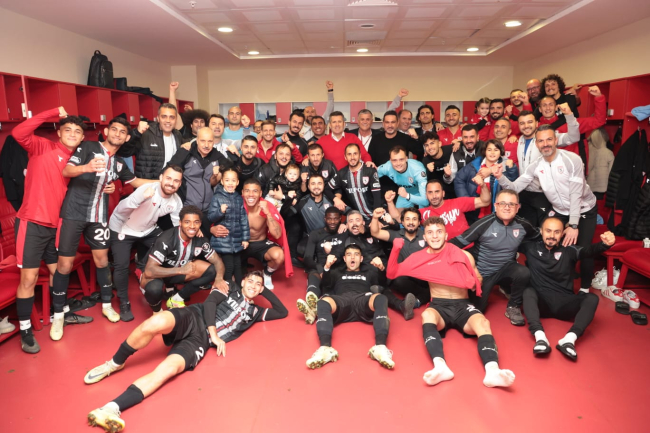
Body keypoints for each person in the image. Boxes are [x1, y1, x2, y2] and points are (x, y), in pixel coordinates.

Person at [84, 271, 287, 433]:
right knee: (155, 322)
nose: (253, 285)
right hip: (195, 316)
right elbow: (209, 303)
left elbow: (282, 311)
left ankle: (110, 408)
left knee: (169, 369)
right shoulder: (230, 287)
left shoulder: (255, 312)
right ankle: (114, 363)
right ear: (242, 282)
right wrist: (215, 334)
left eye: (258, 284)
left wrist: (262, 290)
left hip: (200, 341)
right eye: (250, 281)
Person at [52, 117, 154, 337]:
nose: (117, 134)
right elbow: (66, 171)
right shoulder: (89, 147)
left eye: (122, 132)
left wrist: (163, 181)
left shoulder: (119, 163)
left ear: (127, 138)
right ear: (106, 131)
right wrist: (86, 167)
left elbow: (136, 182)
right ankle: (58, 316)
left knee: (102, 261)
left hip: (98, 217)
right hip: (73, 214)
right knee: (64, 265)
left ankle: (107, 305)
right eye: (114, 129)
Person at [387, 216, 515, 388]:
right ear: (424, 237)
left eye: (439, 232)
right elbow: (392, 273)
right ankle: (440, 367)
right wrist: (395, 249)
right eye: (430, 233)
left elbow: (478, 279)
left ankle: (493, 371)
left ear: (446, 235)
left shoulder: (463, 255)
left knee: (483, 323)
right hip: (439, 305)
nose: (435, 236)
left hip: (462, 304)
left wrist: (472, 281)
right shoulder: (418, 258)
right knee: (427, 316)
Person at [12, 107, 89, 353]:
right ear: (59, 133)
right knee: (29, 278)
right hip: (32, 223)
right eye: (68, 130)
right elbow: (18, 132)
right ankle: (25, 331)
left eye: (77, 131)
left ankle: (60, 314)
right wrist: (53, 112)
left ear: (82, 137)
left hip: (57, 225)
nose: (72, 134)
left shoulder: (77, 160)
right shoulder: (42, 147)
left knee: (59, 272)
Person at [494, 125, 599, 294]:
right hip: (559, 210)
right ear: (536, 144)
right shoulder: (535, 166)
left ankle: (585, 288)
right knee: (553, 245)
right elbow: (514, 188)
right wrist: (500, 177)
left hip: (584, 209)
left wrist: (573, 225)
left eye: (549, 139)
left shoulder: (572, 159)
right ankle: (557, 284)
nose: (545, 144)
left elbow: (576, 194)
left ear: (556, 140)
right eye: (541, 141)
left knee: (584, 248)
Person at [521, 218, 614, 360]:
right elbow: (506, 243)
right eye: (548, 231)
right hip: (541, 304)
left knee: (592, 298)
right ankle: (540, 337)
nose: (552, 236)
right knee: (528, 291)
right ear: (541, 231)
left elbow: (588, 251)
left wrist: (604, 244)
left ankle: (569, 340)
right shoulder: (530, 247)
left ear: (562, 234)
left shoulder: (569, 250)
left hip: (565, 304)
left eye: (557, 232)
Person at [450, 189, 538, 325]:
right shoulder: (484, 223)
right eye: (502, 203)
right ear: (496, 206)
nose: (507, 207)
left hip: (506, 268)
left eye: (511, 204)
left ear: (517, 208)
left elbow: (539, 236)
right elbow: (456, 243)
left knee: (523, 272)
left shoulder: (523, 225)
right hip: (483, 273)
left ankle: (513, 306)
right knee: (477, 309)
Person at [109, 164, 184, 321]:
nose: (171, 183)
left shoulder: (176, 201)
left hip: (147, 229)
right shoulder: (147, 190)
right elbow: (121, 209)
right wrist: (140, 198)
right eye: (168, 178)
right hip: (123, 227)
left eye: (176, 181)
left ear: (180, 184)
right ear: (161, 178)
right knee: (122, 266)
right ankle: (123, 302)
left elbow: (177, 228)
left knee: (167, 246)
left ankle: (144, 270)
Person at [306, 244, 395, 370]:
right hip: (342, 301)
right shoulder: (337, 272)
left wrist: (381, 269)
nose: (352, 257)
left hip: (362, 300)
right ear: (344, 258)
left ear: (361, 258)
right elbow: (325, 285)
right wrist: (327, 267)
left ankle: (380, 347)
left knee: (381, 298)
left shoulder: (369, 272)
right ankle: (325, 349)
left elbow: (382, 284)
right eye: (349, 254)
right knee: (323, 302)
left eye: (356, 254)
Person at [137, 205, 227, 312]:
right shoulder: (166, 238)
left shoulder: (201, 239)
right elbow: (149, 271)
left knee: (212, 271)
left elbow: (217, 261)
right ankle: (157, 311)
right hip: (155, 273)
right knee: (154, 289)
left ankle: (176, 299)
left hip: (175, 271)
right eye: (187, 222)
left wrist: (219, 278)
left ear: (200, 224)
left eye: (196, 222)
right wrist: (181, 270)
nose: (192, 226)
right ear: (180, 223)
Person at [212, 178, 291, 290]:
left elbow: (277, 235)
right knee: (232, 278)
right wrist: (212, 229)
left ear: (260, 193)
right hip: (240, 244)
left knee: (278, 256)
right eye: (247, 191)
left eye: (255, 191)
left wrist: (268, 213)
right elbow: (217, 221)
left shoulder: (267, 206)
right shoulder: (235, 204)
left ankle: (267, 274)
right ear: (242, 193)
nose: (251, 194)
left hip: (260, 243)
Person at [515, 107, 580, 227]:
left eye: (530, 122)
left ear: (537, 123)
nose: (526, 126)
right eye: (522, 123)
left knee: (545, 228)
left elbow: (573, 137)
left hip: (543, 193)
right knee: (527, 228)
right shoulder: (520, 140)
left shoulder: (547, 139)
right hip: (524, 192)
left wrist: (569, 115)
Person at [369, 207, 425, 318]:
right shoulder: (397, 235)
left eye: (414, 219)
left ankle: (418, 300)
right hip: (405, 279)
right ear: (402, 222)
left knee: (434, 284)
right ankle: (409, 302)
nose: (411, 222)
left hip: (422, 277)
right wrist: (375, 217)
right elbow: (375, 233)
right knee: (396, 281)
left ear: (419, 222)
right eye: (407, 219)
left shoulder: (426, 235)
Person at [296, 207, 347, 324]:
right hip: (320, 268)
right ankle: (312, 298)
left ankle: (314, 310)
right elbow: (307, 258)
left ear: (340, 219)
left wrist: (346, 225)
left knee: (333, 288)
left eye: (335, 219)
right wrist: (321, 270)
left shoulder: (343, 233)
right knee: (313, 273)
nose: (332, 222)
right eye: (329, 219)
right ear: (325, 219)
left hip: (337, 269)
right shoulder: (316, 234)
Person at [169, 127, 223, 236]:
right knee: (188, 239)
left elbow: (232, 169)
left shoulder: (216, 157)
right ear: (197, 140)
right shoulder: (186, 153)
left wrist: (219, 174)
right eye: (203, 141)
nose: (206, 145)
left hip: (208, 210)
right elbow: (169, 170)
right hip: (188, 208)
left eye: (210, 141)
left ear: (214, 142)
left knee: (206, 240)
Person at [454, 139, 518, 222]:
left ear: (501, 152)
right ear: (485, 151)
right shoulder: (474, 164)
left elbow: (512, 187)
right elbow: (459, 179)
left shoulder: (506, 166)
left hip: (497, 210)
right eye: (489, 150)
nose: (492, 153)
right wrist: (466, 199)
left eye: (496, 150)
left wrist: (512, 169)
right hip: (475, 211)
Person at [207, 168, 250, 285]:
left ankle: (239, 290)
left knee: (238, 265)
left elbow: (243, 219)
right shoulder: (217, 197)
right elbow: (210, 217)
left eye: (233, 180)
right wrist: (220, 211)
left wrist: (245, 238)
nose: (230, 183)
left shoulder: (239, 198)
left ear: (237, 182)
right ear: (222, 182)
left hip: (236, 239)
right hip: (223, 239)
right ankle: (228, 290)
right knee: (229, 266)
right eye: (227, 180)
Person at [417, 179, 490, 240]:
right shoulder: (421, 213)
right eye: (430, 192)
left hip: (466, 247)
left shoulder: (457, 202)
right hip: (442, 250)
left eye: (437, 192)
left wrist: (483, 186)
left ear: (443, 193)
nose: (434, 196)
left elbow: (485, 201)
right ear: (426, 195)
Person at [328, 143, 383, 222]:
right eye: (349, 154)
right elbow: (326, 189)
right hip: (357, 219)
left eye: (355, 154)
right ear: (345, 157)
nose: (352, 157)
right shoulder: (341, 174)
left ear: (360, 155)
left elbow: (377, 198)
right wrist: (336, 199)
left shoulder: (370, 170)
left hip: (376, 215)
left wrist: (376, 220)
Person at [129, 101, 183, 180]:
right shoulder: (146, 133)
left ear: (176, 120)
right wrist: (136, 133)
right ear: (158, 118)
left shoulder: (178, 135)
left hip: (169, 184)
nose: (168, 120)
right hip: (147, 185)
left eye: (172, 117)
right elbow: (125, 152)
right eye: (164, 116)